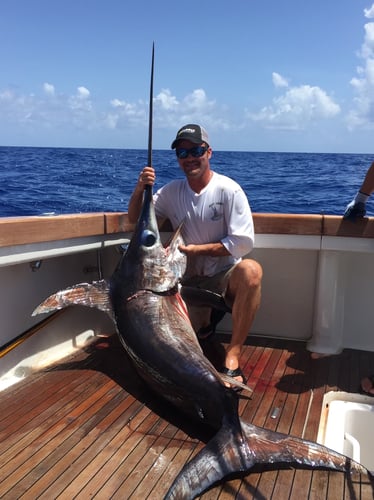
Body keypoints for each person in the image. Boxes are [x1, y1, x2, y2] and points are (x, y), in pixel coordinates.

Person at [128, 124, 262, 388]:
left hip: (221, 276)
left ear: (209, 152)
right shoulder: (170, 192)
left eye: (196, 150)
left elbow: (242, 243)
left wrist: (196, 250)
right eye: (182, 152)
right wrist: (139, 187)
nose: (189, 157)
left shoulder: (229, 190)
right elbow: (136, 219)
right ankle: (199, 332)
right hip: (183, 277)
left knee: (252, 271)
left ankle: (233, 354)